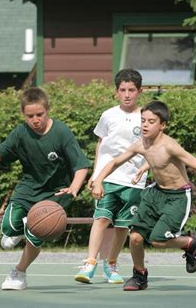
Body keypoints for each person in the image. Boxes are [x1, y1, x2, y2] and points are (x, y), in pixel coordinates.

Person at [0, 87, 90, 290]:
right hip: (29, 187)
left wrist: (74, 187)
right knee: (7, 229)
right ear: (24, 114)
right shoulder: (21, 133)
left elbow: (81, 164)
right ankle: (21, 225)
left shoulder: (61, 132)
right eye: (30, 116)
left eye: (39, 114)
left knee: (36, 233)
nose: (35, 119)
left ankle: (19, 273)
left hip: (56, 192)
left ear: (47, 110)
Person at [91, 100, 196, 291]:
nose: (145, 125)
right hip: (156, 193)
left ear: (162, 125)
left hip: (177, 197)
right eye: (143, 120)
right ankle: (139, 275)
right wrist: (98, 180)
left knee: (157, 240)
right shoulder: (141, 145)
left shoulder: (170, 146)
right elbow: (115, 162)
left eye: (151, 121)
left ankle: (191, 243)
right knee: (135, 237)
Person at [74, 69, 148, 285]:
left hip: (134, 181)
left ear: (139, 91)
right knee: (102, 218)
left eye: (131, 90)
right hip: (108, 178)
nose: (127, 94)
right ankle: (89, 263)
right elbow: (101, 145)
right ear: (116, 92)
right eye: (122, 90)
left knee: (122, 225)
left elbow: (152, 147)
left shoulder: (146, 116)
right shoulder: (108, 115)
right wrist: (96, 174)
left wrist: (144, 167)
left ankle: (111, 264)